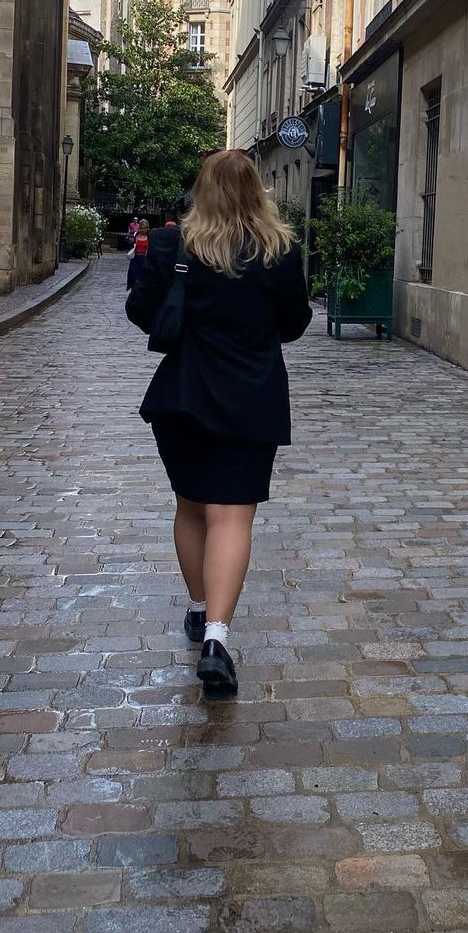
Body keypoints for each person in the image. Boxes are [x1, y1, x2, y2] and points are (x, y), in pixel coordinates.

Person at [125, 151, 311, 696]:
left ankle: (199, 606)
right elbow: (296, 323)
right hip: (251, 396)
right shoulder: (278, 250)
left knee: (190, 507)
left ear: (200, 190)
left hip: (183, 396)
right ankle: (216, 638)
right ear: (258, 189)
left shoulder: (172, 245)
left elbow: (140, 311)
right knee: (231, 517)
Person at [125, 219, 150, 290]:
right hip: (135, 259)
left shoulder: (149, 237)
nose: (143, 230)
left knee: (143, 279)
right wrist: (131, 241)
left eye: (145, 228)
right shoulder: (136, 235)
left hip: (144, 259)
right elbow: (131, 245)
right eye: (142, 228)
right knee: (134, 278)